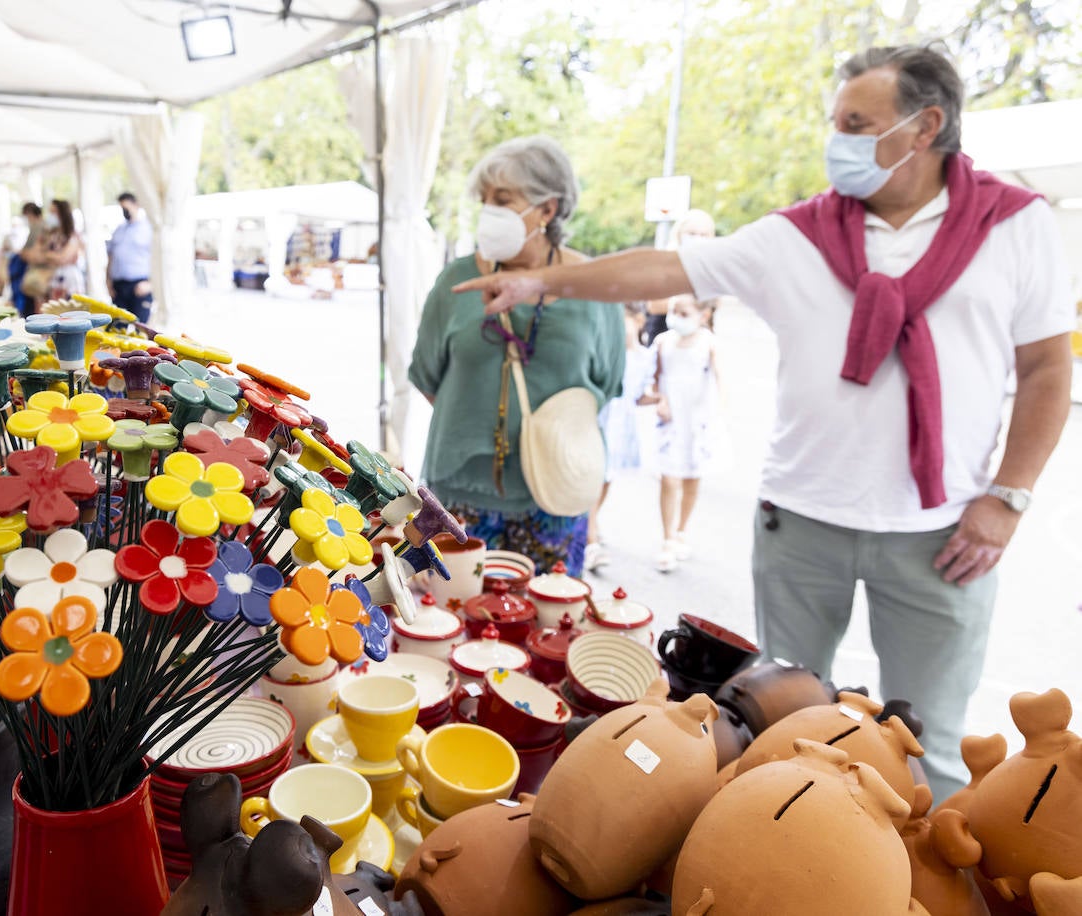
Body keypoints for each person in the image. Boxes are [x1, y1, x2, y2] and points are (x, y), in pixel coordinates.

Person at [452, 45, 1074, 802]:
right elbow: (667, 269)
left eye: (857, 122)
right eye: (834, 121)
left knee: (929, 746)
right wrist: (542, 278)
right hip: (800, 523)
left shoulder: (1015, 226)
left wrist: (1008, 498)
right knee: (783, 730)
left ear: (925, 126)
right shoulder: (801, 235)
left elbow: (1047, 368)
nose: (836, 139)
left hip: (944, 534)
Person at [409, 135, 626, 578]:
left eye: (503, 200)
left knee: (546, 625)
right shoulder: (457, 280)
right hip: (458, 491)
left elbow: (606, 383)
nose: (489, 210)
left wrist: (546, 433)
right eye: (484, 199)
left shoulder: (591, 287)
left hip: (555, 492)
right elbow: (427, 376)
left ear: (547, 209)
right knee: (445, 621)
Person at [649, 294, 723, 572]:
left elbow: (720, 380)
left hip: (698, 420)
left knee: (692, 477)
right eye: (673, 311)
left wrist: (717, 418)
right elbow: (654, 380)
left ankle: (681, 531)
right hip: (671, 420)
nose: (676, 317)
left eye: (684, 312)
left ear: (703, 315)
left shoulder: (709, 342)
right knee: (669, 479)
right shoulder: (662, 342)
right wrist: (661, 400)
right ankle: (667, 539)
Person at [585, 305, 657, 572]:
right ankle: (590, 539)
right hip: (601, 422)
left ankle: (592, 524)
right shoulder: (606, 350)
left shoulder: (645, 357)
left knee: (607, 479)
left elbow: (641, 395)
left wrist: (663, 401)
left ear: (639, 321)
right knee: (594, 479)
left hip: (621, 427)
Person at [641, 209, 715, 345]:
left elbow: (712, 306)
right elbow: (653, 305)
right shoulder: (664, 263)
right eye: (692, 233)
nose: (698, 238)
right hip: (663, 333)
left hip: (697, 341)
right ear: (679, 234)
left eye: (704, 234)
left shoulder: (711, 268)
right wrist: (685, 307)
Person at [106, 192, 154, 322]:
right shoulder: (119, 230)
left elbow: (159, 260)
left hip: (140, 285)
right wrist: (108, 282)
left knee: (141, 330)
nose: (124, 211)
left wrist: (151, 283)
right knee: (117, 328)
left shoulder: (149, 229)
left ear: (135, 205)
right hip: (119, 287)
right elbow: (111, 256)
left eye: (126, 208)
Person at [30, 199, 85, 306]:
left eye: (54, 212)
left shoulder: (72, 235)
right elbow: (35, 256)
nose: (50, 216)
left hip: (69, 281)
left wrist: (47, 255)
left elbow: (63, 258)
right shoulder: (50, 235)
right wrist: (51, 256)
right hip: (52, 280)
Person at [9, 202, 43, 315]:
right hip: (36, 274)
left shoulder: (38, 227)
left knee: (36, 307)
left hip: (38, 275)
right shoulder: (37, 227)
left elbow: (31, 252)